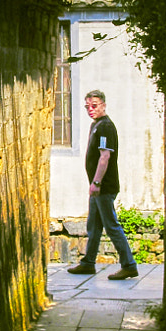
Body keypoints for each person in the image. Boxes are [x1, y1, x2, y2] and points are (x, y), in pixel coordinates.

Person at [67, 90, 138, 279]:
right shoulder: (96, 125)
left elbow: (104, 157)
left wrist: (97, 182)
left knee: (111, 225)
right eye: (87, 106)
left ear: (104, 105)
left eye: (94, 105)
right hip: (96, 187)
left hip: (103, 187)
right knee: (94, 226)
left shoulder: (106, 126)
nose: (91, 109)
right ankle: (88, 263)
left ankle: (129, 265)